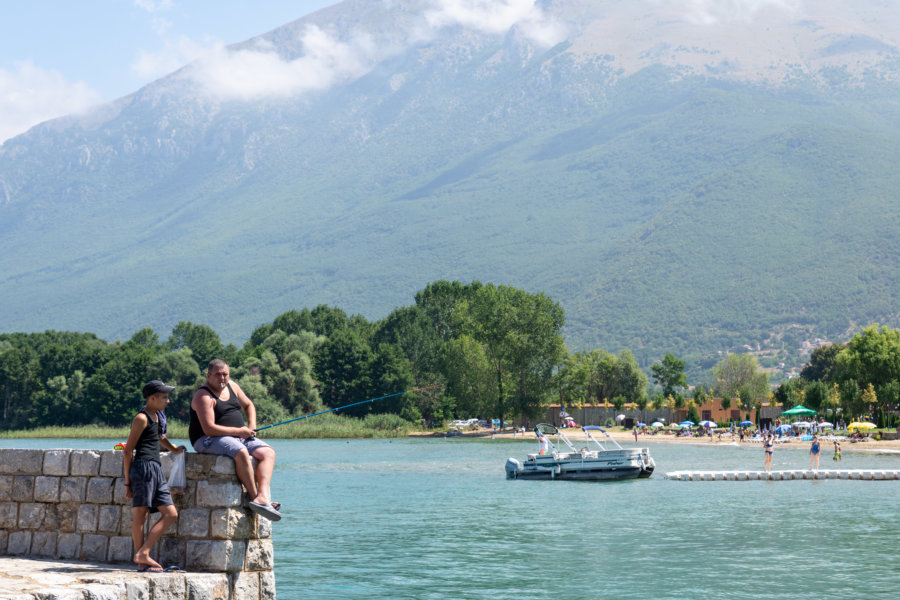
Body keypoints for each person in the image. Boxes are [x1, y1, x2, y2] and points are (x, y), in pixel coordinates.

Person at [189, 359, 281, 521]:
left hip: (239, 435)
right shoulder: (203, 396)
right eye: (217, 375)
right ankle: (255, 498)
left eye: (225, 374)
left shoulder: (233, 386)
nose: (222, 378)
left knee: (268, 452)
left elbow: (249, 405)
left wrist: (251, 426)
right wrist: (240, 431)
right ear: (208, 375)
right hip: (208, 439)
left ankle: (264, 496)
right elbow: (209, 428)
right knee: (241, 451)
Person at [123, 380, 186, 572]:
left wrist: (174, 449)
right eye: (164, 397)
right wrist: (127, 483)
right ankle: (142, 561)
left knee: (171, 514)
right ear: (152, 398)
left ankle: (144, 552)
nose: (168, 401)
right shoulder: (141, 418)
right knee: (140, 516)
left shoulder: (158, 416)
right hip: (142, 468)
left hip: (156, 469)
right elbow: (127, 451)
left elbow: (159, 438)